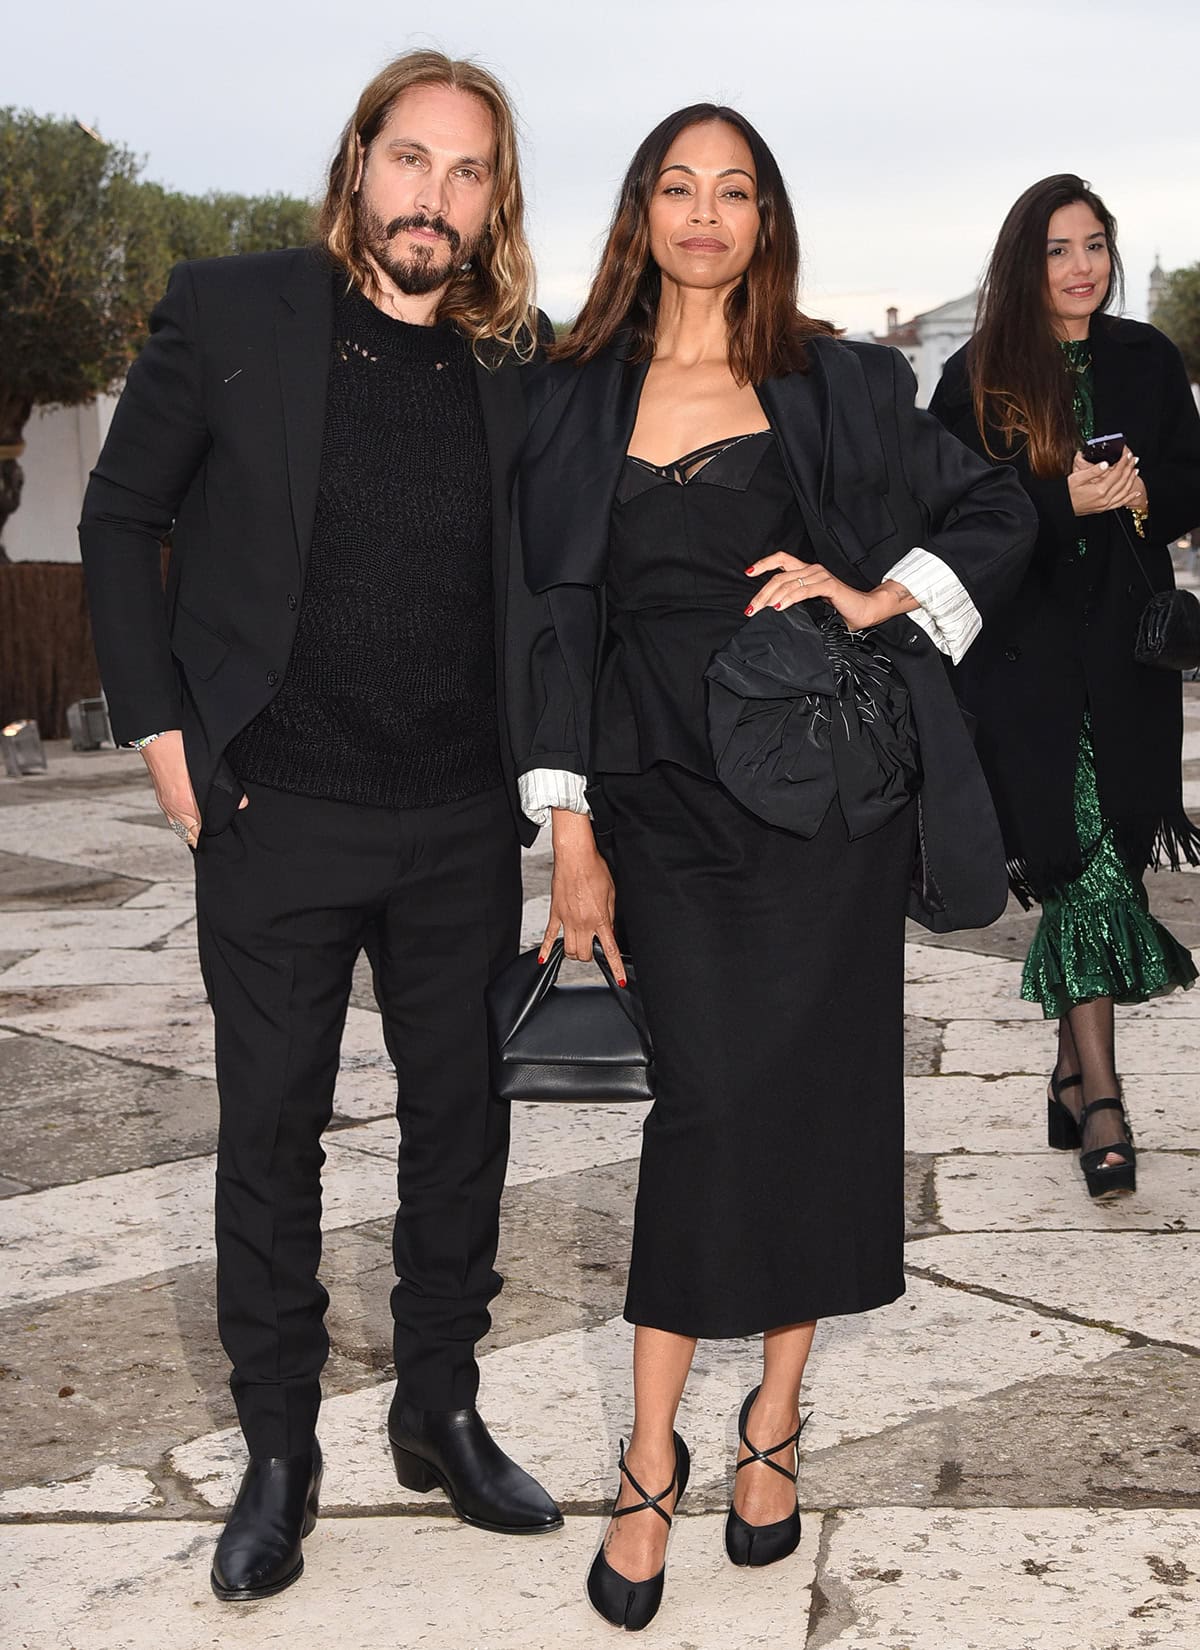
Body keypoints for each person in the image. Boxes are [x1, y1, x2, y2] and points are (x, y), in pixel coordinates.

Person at [507, 104, 1036, 1631]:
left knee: (810, 1100)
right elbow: (558, 625)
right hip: (657, 812)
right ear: (641, 213)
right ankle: (650, 1448)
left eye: (734, 189)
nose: (704, 211)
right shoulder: (570, 397)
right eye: (677, 185)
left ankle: (773, 1424)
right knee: (709, 1113)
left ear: (765, 218)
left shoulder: (844, 383)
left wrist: (876, 596)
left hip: (819, 819)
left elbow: (997, 505)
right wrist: (573, 837)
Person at [78, 50, 562, 1603]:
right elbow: (119, 516)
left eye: (468, 171)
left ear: (495, 203)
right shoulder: (230, 311)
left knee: (462, 1134)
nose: (436, 196)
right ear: (361, 163)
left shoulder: (518, 361)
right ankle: (279, 1448)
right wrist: (163, 728)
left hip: (453, 823)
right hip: (271, 811)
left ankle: (440, 1403)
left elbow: (556, 589)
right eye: (411, 159)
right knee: (271, 1138)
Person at [930, 175, 1200, 1200]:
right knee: (1078, 854)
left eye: (1095, 245)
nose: (1081, 267)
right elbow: (952, 510)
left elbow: (1191, 476)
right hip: (1027, 662)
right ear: (1023, 261)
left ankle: (1065, 1066)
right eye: (1058, 249)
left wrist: (1138, 497)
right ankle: (1104, 1101)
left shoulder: (1148, 358)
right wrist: (1057, 500)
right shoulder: (978, 374)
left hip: (1129, 658)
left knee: (1116, 852)